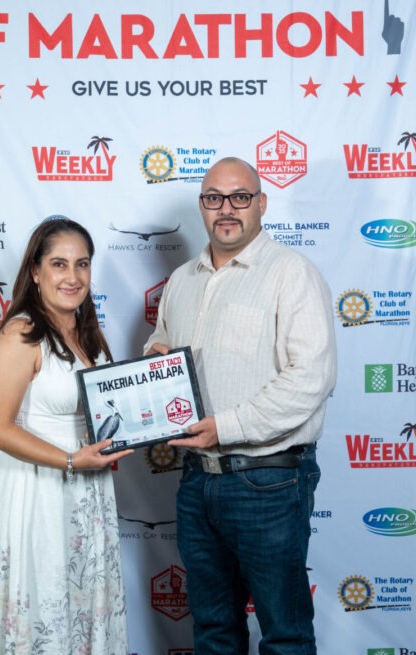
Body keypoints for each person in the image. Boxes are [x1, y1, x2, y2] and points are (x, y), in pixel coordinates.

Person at [145, 157, 337, 654]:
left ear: (261, 204)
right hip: (196, 480)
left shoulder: (291, 273)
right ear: (202, 207)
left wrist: (223, 427)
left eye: (239, 197)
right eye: (213, 198)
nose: (226, 209)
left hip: (268, 482)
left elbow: (311, 378)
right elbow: (161, 343)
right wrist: (155, 361)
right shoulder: (182, 280)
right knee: (213, 631)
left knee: (285, 635)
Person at [0, 216, 133, 655]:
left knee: (85, 611)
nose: (72, 277)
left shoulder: (88, 334)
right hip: (38, 493)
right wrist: (70, 461)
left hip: (87, 491)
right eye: (59, 264)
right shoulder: (21, 333)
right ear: (35, 271)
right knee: (44, 611)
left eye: (82, 264)